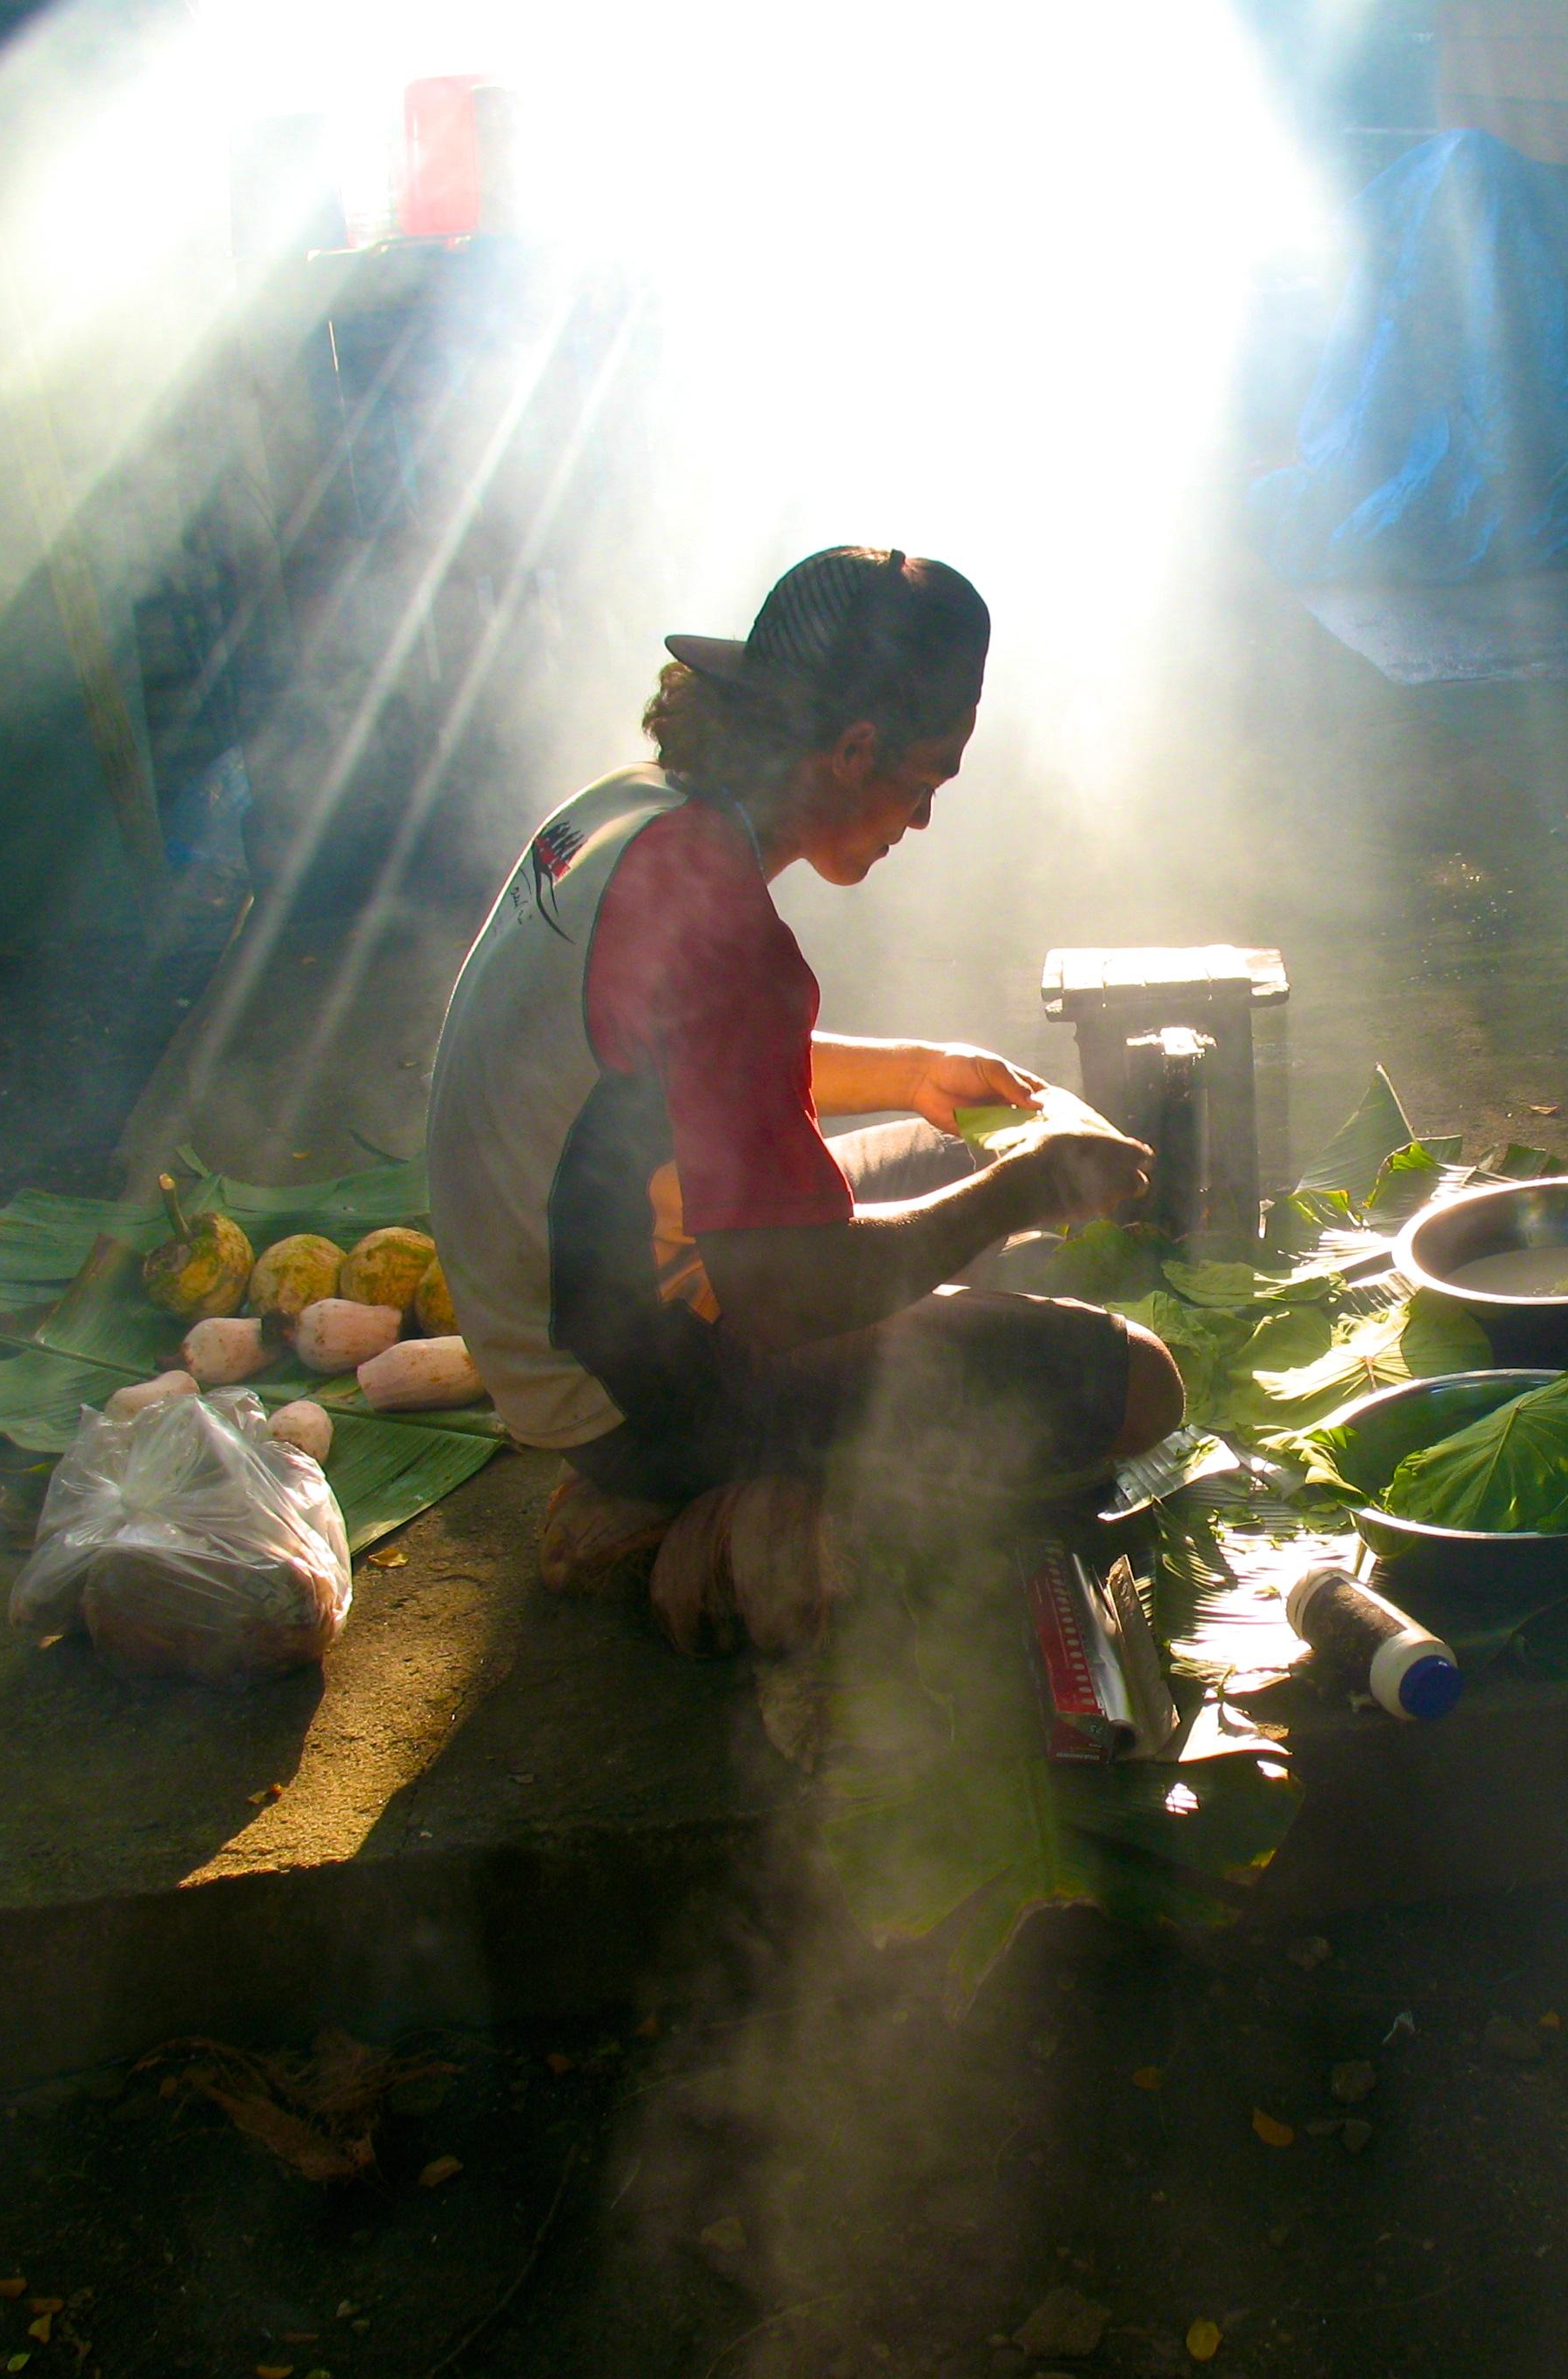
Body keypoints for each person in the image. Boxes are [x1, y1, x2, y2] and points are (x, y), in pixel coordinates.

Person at [424, 546, 1185, 1652]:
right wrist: (1024, 1193)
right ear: (853, 751)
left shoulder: (632, 811)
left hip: (561, 1313)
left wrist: (911, 1073)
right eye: (925, 782)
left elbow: (679, 1065)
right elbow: (786, 1297)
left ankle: (734, 1475)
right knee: (1139, 1388)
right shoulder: (730, 936)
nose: (918, 822)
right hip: (630, 1392)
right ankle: (725, 1525)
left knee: (952, 1160)